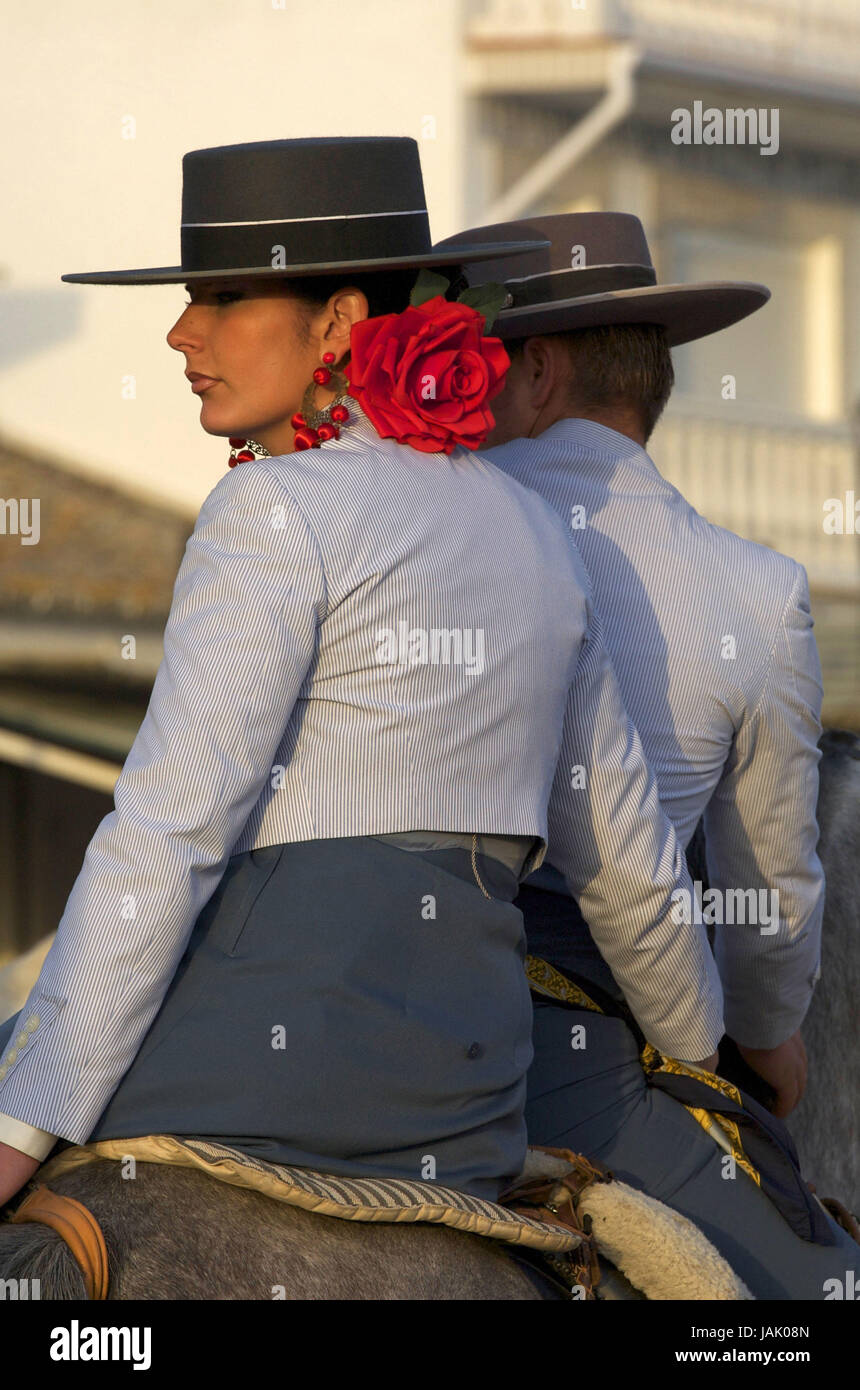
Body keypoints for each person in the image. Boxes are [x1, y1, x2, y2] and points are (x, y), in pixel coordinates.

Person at [0, 143, 723, 1213]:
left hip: (270, 1054)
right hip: (466, 1095)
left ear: (338, 324)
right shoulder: (535, 530)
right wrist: (702, 1054)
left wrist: (22, 1122)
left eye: (224, 297)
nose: (180, 333)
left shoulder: (273, 509)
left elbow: (171, 831)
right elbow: (625, 864)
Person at [436, 212, 858, 1295]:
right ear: (650, 385)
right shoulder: (756, 594)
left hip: (355, 971)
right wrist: (765, 1041)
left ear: (534, 371)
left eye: (481, 359)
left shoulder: (424, 521)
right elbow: (766, 889)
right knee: (816, 1294)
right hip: (571, 1028)